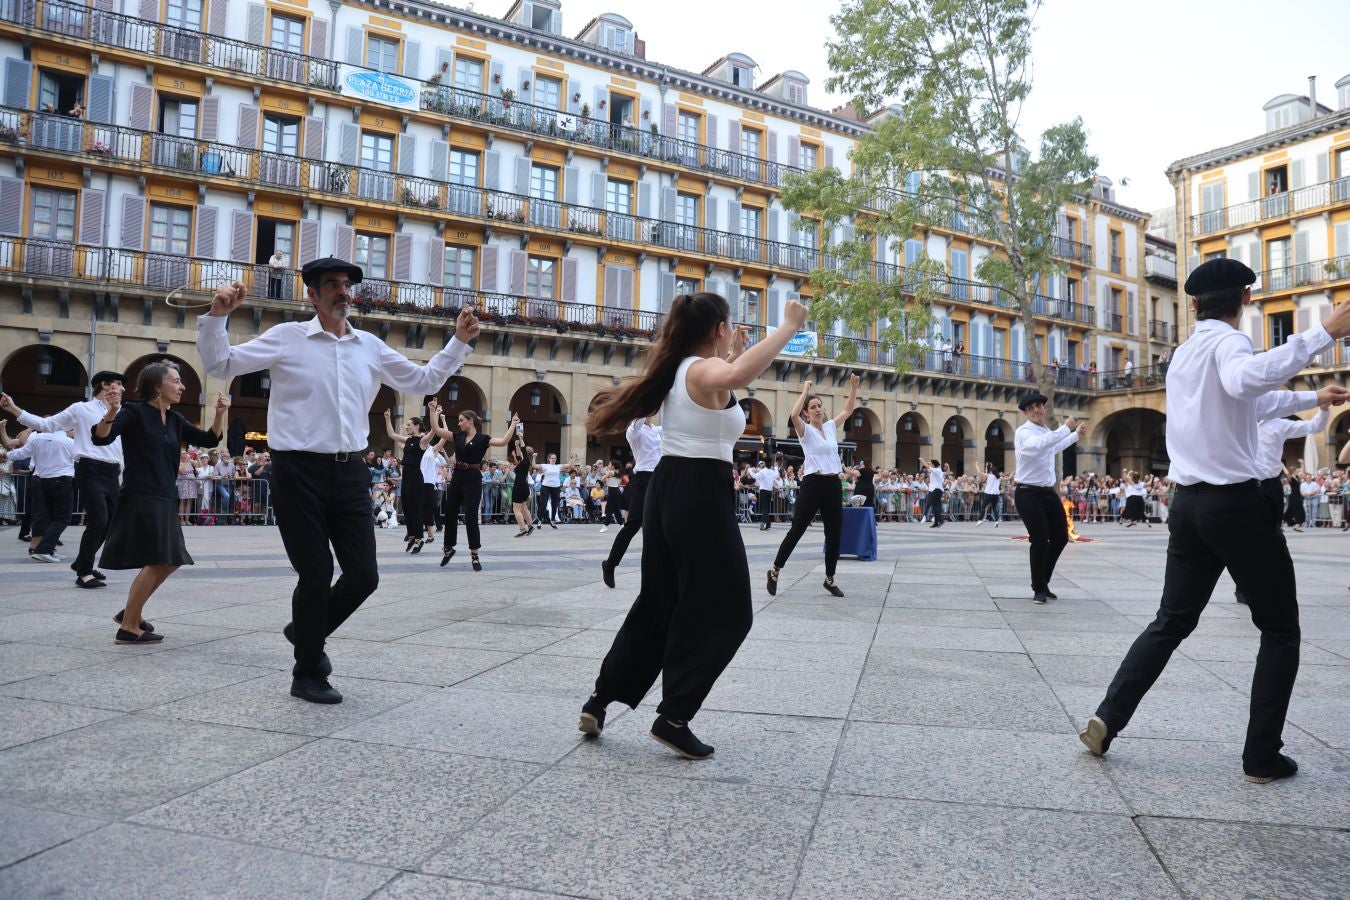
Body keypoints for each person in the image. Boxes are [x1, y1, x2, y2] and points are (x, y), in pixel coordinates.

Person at [1079, 257, 1350, 784]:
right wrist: (1322, 333)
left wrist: (1314, 397)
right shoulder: (1231, 344)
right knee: (1280, 630)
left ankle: (1108, 718)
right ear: (1246, 300)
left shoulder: (1184, 353)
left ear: (1195, 304)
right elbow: (1246, 379)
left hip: (1188, 507)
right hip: (1236, 506)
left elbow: (1249, 401)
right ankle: (1262, 756)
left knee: (1171, 620)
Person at [197, 258, 480, 704]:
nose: (342, 292)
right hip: (297, 470)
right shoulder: (287, 338)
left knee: (364, 576)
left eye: (347, 285)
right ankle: (308, 671)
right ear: (312, 294)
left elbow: (423, 379)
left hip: (350, 470)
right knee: (315, 573)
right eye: (332, 285)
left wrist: (458, 342)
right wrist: (217, 317)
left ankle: (305, 630)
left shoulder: (368, 345)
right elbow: (221, 363)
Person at [579, 292, 809, 760]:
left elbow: (724, 379)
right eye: (730, 325)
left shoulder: (682, 369)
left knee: (660, 601)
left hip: (670, 485)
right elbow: (736, 375)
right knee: (729, 611)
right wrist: (787, 328)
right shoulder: (700, 371)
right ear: (719, 328)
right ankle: (674, 716)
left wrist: (733, 352)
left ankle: (601, 700)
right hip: (699, 490)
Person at [93, 362, 228, 642]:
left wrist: (219, 414)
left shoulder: (175, 419)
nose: (182, 386)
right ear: (157, 385)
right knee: (158, 559)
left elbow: (209, 438)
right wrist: (111, 412)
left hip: (165, 495)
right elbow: (101, 438)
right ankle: (129, 626)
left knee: (171, 560)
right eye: (176, 381)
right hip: (142, 495)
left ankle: (131, 611)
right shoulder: (135, 412)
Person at [3, 370, 126, 586]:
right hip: (89, 468)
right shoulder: (81, 409)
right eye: (118, 384)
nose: (123, 389)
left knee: (111, 522)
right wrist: (13, 408)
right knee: (98, 519)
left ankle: (81, 561)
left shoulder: (122, 411)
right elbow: (45, 425)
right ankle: (84, 573)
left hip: (113, 470)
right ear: (106, 385)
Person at [767, 374, 858, 599]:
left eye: (820, 406)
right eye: (814, 407)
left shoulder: (829, 427)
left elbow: (847, 411)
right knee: (797, 529)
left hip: (832, 484)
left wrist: (853, 388)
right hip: (812, 483)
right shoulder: (804, 430)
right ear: (807, 412)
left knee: (834, 533)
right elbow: (792, 414)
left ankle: (830, 579)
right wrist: (805, 390)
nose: (818, 409)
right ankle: (775, 570)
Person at [1233, 404, 1333, 604]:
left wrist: (1323, 409)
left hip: (1271, 486)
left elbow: (1315, 426)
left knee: (1272, 536)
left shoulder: (1278, 425)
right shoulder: (1237, 421)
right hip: (1245, 484)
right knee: (1245, 538)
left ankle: (1269, 585)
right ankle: (1243, 590)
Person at [1013, 391, 1084, 604]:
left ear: (1044, 408)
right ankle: (1038, 589)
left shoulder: (1044, 431)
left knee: (1061, 537)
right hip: (1028, 493)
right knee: (1040, 538)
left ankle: (1043, 581)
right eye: (1031, 407)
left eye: (1039, 406)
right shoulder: (1023, 432)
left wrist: (1076, 435)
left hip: (1047, 492)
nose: (1036, 410)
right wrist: (1065, 428)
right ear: (1026, 412)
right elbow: (1038, 446)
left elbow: (1052, 447)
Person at [430, 408, 517, 571]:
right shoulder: (458, 436)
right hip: (458, 476)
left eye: (461, 420)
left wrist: (512, 424)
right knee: (450, 513)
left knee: (470, 517)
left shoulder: (483, 439)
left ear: (470, 420)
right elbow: (436, 429)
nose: (459, 423)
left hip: (473, 478)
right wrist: (432, 411)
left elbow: (504, 441)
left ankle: (474, 555)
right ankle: (448, 548)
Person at [601, 417, 661, 587]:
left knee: (662, 527)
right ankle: (610, 565)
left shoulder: (657, 430)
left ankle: (657, 573)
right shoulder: (634, 430)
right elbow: (637, 424)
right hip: (643, 479)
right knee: (632, 525)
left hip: (661, 479)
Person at [2, 425, 75, 563]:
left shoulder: (38, 439)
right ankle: (44, 549)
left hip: (41, 480)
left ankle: (46, 549)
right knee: (62, 517)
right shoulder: (69, 442)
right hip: (61, 480)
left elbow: (21, 452)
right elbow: (80, 457)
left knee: (43, 515)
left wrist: (7, 454)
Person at [383, 408, 430, 553]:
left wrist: (434, 413)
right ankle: (411, 535)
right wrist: (387, 418)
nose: (407, 426)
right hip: (407, 476)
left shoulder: (422, 441)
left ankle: (419, 538)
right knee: (407, 508)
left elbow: (434, 430)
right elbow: (391, 434)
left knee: (415, 508)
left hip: (416, 476)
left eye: (409, 424)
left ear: (417, 426)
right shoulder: (408, 440)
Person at [509, 439, 536, 537]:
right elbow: (520, 454)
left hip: (519, 486)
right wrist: (517, 445)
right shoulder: (525, 461)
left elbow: (522, 451)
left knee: (516, 509)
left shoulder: (525, 461)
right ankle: (530, 526)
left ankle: (522, 529)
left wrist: (521, 438)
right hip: (524, 485)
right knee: (524, 507)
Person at [535, 452, 568, 527]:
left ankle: (552, 520)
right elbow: (534, 465)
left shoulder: (558, 466)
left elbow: (569, 465)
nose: (553, 459)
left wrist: (571, 459)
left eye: (555, 458)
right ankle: (540, 520)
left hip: (556, 487)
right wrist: (534, 457)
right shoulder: (545, 466)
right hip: (546, 486)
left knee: (554, 504)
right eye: (552, 458)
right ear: (549, 459)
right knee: (544, 504)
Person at [752, 458, 781, 530]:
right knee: (766, 508)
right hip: (769, 492)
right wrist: (776, 467)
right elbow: (777, 475)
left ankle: (767, 524)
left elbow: (754, 476)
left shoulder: (762, 471)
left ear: (765, 464)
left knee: (764, 508)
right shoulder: (772, 471)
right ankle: (764, 523)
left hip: (763, 491)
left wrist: (750, 470)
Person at [921, 456, 945, 527]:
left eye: (931, 464)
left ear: (934, 465)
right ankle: (937, 522)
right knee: (934, 506)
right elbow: (929, 466)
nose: (930, 465)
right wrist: (929, 462)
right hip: (935, 489)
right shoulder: (936, 470)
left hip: (936, 490)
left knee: (932, 504)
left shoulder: (937, 470)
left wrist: (922, 460)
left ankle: (927, 517)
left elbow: (928, 467)